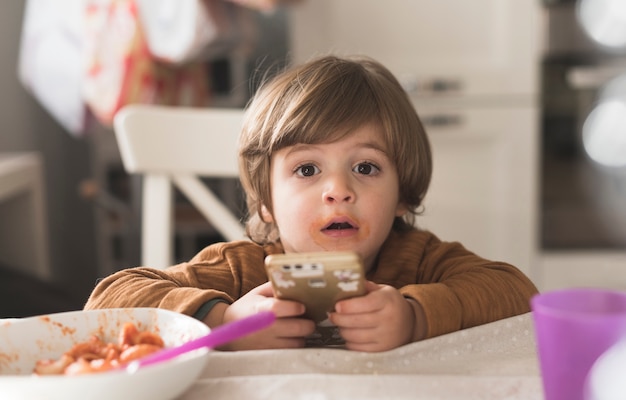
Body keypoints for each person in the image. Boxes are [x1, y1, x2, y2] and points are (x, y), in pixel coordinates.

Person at [85, 55, 538, 352]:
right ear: (265, 202)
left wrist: (416, 318)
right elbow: (108, 299)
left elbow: (518, 294)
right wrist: (226, 321)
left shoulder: (419, 260)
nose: (337, 190)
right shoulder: (244, 268)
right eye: (307, 170)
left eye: (366, 167)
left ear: (403, 195)